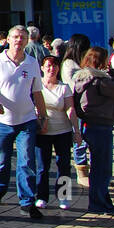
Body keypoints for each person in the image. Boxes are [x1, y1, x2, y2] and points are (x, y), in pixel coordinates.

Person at [0, 25, 47, 218]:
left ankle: (26, 201)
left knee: (26, 161)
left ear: (27, 41)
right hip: (2, 121)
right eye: (15, 37)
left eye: (23, 38)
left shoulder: (32, 63)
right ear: (8, 39)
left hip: (26, 119)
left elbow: (37, 92)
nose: (19, 41)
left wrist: (43, 116)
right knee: (1, 159)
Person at [72, 47, 114, 215]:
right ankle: (99, 203)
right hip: (101, 125)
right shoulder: (100, 80)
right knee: (102, 168)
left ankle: (102, 201)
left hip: (88, 125)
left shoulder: (82, 78)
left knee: (98, 166)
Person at [38, 55, 80, 210]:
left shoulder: (64, 87)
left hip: (62, 131)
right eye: (48, 66)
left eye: (55, 66)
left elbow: (70, 109)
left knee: (63, 165)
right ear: (42, 68)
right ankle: (41, 197)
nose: (51, 69)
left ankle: (63, 197)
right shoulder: (36, 86)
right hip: (42, 132)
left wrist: (76, 131)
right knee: (43, 166)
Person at [61, 34, 92, 176]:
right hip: (76, 105)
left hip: (86, 106)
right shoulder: (69, 64)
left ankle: (91, 171)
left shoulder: (80, 62)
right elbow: (73, 86)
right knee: (79, 138)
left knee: (88, 139)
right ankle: (82, 171)